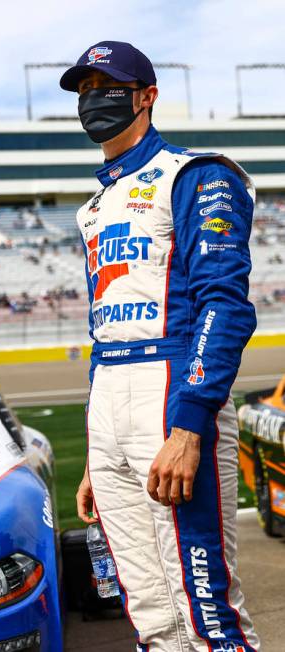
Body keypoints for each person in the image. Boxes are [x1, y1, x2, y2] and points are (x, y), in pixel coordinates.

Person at [65, 42, 260, 651]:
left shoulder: (197, 174)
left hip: (170, 388)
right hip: (112, 400)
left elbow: (224, 305)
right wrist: (98, 449)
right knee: (150, 613)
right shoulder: (94, 206)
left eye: (108, 86)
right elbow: (104, 329)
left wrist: (190, 423)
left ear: (146, 96)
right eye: (84, 89)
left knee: (204, 610)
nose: (94, 99)